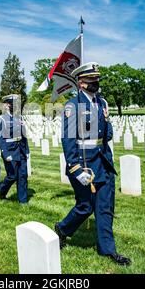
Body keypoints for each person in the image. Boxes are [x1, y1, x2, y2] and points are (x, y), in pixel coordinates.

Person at [54, 62, 132, 266]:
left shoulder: (103, 103)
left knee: (105, 207)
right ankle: (63, 228)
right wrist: (75, 167)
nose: (95, 82)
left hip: (102, 161)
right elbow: (68, 139)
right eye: (91, 80)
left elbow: (107, 133)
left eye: (97, 79)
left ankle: (108, 250)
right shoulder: (73, 105)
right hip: (83, 162)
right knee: (86, 206)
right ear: (81, 83)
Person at [0, 94, 29, 204]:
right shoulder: (2, 119)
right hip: (10, 151)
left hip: (21, 150)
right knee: (12, 176)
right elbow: (0, 138)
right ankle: (2, 192)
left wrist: (27, 150)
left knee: (23, 176)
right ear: (6, 105)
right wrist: (5, 154)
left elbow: (24, 135)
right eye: (11, 104)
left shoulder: (19, 117)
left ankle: (23, 200)